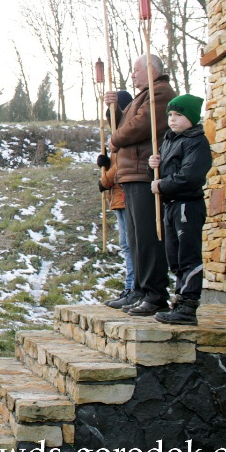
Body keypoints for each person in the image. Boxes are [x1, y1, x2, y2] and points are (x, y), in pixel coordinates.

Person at [103, 54, 176, 316]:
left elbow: (140, 126)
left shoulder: (160, 93)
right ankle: (141, 290)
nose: (132, 75)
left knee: (147, 236)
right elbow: (125, 123)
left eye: (136, 70)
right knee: (135, 238)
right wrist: (115, 111)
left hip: (144, 172)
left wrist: (115, 140)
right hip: (130, 173)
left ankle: (156, 294)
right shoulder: (142, 95)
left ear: (151, 70)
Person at [148, 94, 212, 326]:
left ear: (192, 118)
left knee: (187, 255)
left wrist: (162, 184)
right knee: (174, 256)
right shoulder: (169, 140)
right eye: (171, 115)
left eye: (179, 115)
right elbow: (162, 175)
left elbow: (190, 176)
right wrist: (154, 167)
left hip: (187, 205)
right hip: (171, 205)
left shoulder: (197, 141)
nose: (173, 120)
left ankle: (188, 305)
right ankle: (180, 299)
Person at [97, 90, 135, 306]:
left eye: (114, 115)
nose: (112, 121)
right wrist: (106, 163)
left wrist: (106, 180)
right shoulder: (119, 134)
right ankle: (130, 286)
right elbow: (116, 162)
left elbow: (124, 164)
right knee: (126, 243)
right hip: (120, 196)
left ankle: (133, 287)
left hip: (127, 194)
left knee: (131, 244)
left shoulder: (128, 134)